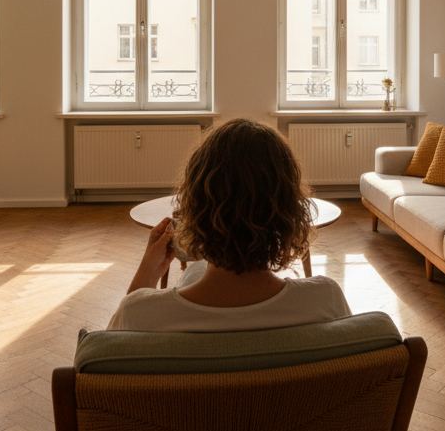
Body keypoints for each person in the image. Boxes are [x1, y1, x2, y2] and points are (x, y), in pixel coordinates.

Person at [107, 118, 352, 332]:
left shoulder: (141, 313)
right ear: (289, 211)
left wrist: (147, 274)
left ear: (193, 210)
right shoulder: (325, 299)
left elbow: (106, 353)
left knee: (194, 271)